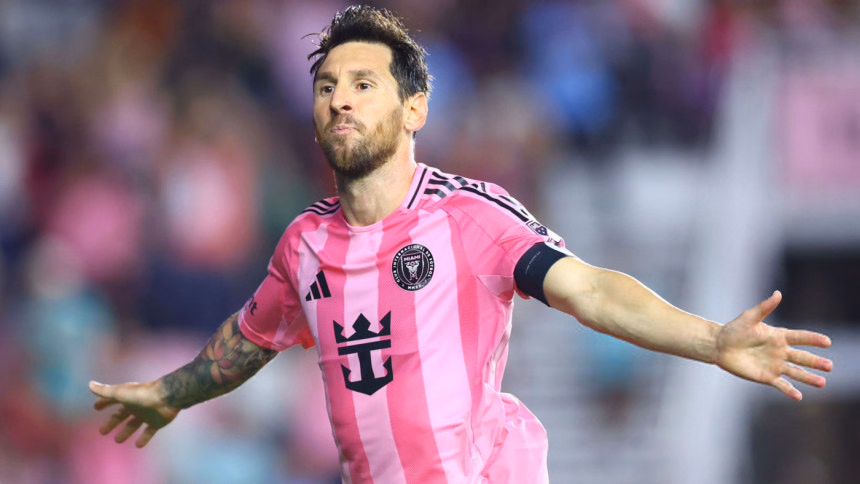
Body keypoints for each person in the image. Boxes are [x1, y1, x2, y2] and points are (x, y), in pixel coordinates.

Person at [89, 5, 833, 483]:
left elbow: (589, 289)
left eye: (364, 84)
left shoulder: (467, 216)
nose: (340, 99)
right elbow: (250, 340)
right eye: (326, 86)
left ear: (415, 108)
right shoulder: (304, 244)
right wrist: (169, 393)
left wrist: (711, 340)